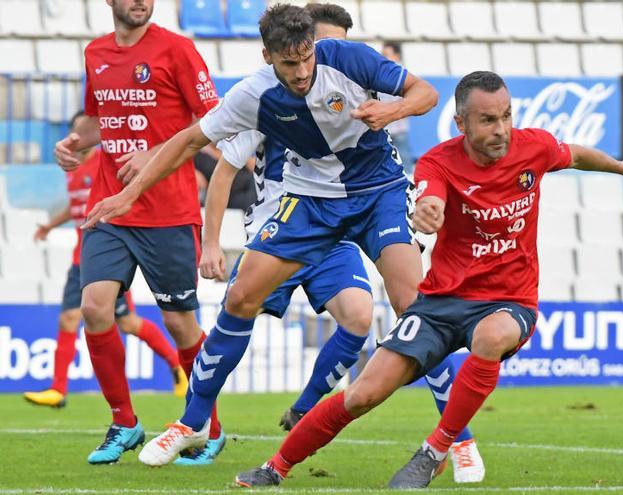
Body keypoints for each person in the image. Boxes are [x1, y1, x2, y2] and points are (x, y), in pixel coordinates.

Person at [230, 71, 623, 488]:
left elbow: (576, 154)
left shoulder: (535, 148)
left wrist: (622, 167)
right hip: (440, 302)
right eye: (488, 120)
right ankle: (276, 467)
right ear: (461, 123)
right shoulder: (439, 161)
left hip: (508, 301)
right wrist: (428, 211)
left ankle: (434, 452)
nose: (501, 129)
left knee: (491, 338)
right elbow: (429, 195)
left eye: (507, 116)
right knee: (362, 394)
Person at [81, 3, 440, 468]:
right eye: (289, 63)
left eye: (307, 57)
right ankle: (192, 423)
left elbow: (425, 92)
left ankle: (453, 437)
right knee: (240, 299)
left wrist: (393, 108)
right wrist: (130, 195)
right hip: (307, 208)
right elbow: (192, 143)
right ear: (268, 56)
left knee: (400, 305)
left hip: (375, 196)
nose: (302, 72)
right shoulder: (255, 95)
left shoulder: (348, 58)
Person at [52, 0, 225, 465]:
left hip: (168, 211)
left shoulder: (177, 50)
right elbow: (99, 120)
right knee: (94, 306)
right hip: (109, 207)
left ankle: (209, 424)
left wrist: (155, 153)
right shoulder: (95, 53)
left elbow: (214, 121)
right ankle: (124, 422)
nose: (140, 1)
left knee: (179, 323)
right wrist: (73, 142)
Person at [24, 112, 187, 408]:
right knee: (90, 319)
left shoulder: (104, 160)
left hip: (103, 253)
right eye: (74, 130)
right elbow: (78, 206)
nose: (78, 136)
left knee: (118, 322)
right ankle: (58, 389)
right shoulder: (71, 168)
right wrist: (50, 225)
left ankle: (175, 364)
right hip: (84, 251)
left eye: (83, 130)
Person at [380, 42, 414, 174]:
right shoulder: (381, 74)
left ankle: (410, 186)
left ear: (397, 55)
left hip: (398, 127)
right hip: (385, 127)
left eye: (386, 54)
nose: (383, 57)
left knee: (404, 158)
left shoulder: (405, 76)